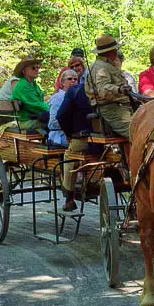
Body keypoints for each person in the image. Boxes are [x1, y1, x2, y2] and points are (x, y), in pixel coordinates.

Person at [56, 81, 103, 211]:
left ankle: (69, 198)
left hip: (86, 140)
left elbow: (61, 115)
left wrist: (69, 134)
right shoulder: (110, 88)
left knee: (69, 157)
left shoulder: (75, 91)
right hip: (111, 141)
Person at [84, 34, 132, 139]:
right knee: (137, 132)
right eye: (115, 49)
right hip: (111, 109)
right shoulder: (100, 67)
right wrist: (119, 89)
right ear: (109, 51)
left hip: (122, 106)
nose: (116, 51)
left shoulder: (108, 65)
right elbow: (103, 88)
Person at [10, 56, 50, 133]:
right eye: (33, 68)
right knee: (56, 122)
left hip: (31, 119)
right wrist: (54, 111)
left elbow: (40, 102)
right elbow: (38, 106)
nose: (37, 70)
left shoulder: (33, 84)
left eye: (37, 67)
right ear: (24, 71)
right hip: (25, 121)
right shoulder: (24, 86)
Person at [47, 69, 78, 147]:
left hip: (76, 134)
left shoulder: (78, 97)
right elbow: (53, 123)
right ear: (63, 82)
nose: (73, 81)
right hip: (59, 135)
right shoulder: (57, 98)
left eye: (75, 79)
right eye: (70, 79)